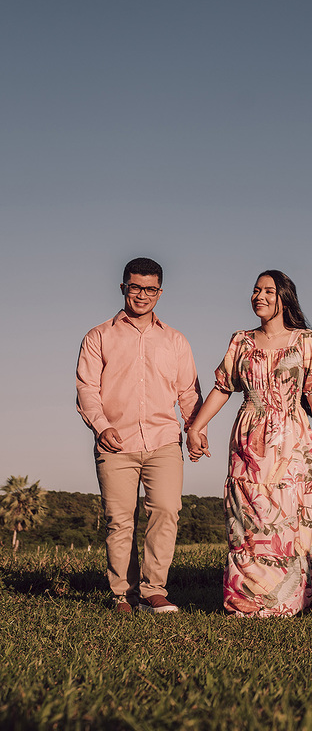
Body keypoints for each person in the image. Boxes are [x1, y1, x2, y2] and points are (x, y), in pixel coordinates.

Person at [187, 270, 312, 617]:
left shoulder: (306, 340)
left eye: (268, 291)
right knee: (250, 518)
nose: (258, 296)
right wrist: (196, 426)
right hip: (249, 436)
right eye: (255, 290)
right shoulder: (241, 341)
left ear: (284, 298)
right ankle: (254, 601)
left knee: (301, 516)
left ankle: (309, 597)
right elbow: (222, 387)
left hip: (294, 437)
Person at [76, 257, 203, 614]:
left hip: (163, 440)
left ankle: (152, 591)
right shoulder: (98, 336)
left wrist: (195, 430)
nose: (142, 295)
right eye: (135, 287)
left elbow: (189, 393)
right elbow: (86, 389)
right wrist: (102, 426)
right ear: (123, 288)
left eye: (150, 289)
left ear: (159, 293)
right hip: (115, 442)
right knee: (119, 519)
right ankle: (122, 595)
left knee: (166, 509)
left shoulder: (176, 341)